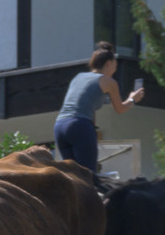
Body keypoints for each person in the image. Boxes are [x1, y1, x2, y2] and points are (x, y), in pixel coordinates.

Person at [54, 41, 144, 170]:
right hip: (79, 125)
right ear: (109, 63)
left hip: (60, 126)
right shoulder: (109, 82)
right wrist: (133, 99)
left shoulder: (78, 77)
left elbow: (84, 104)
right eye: (115, 64)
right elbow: (120, 109)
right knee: (88, 175)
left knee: (72, 176)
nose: (115, 68)